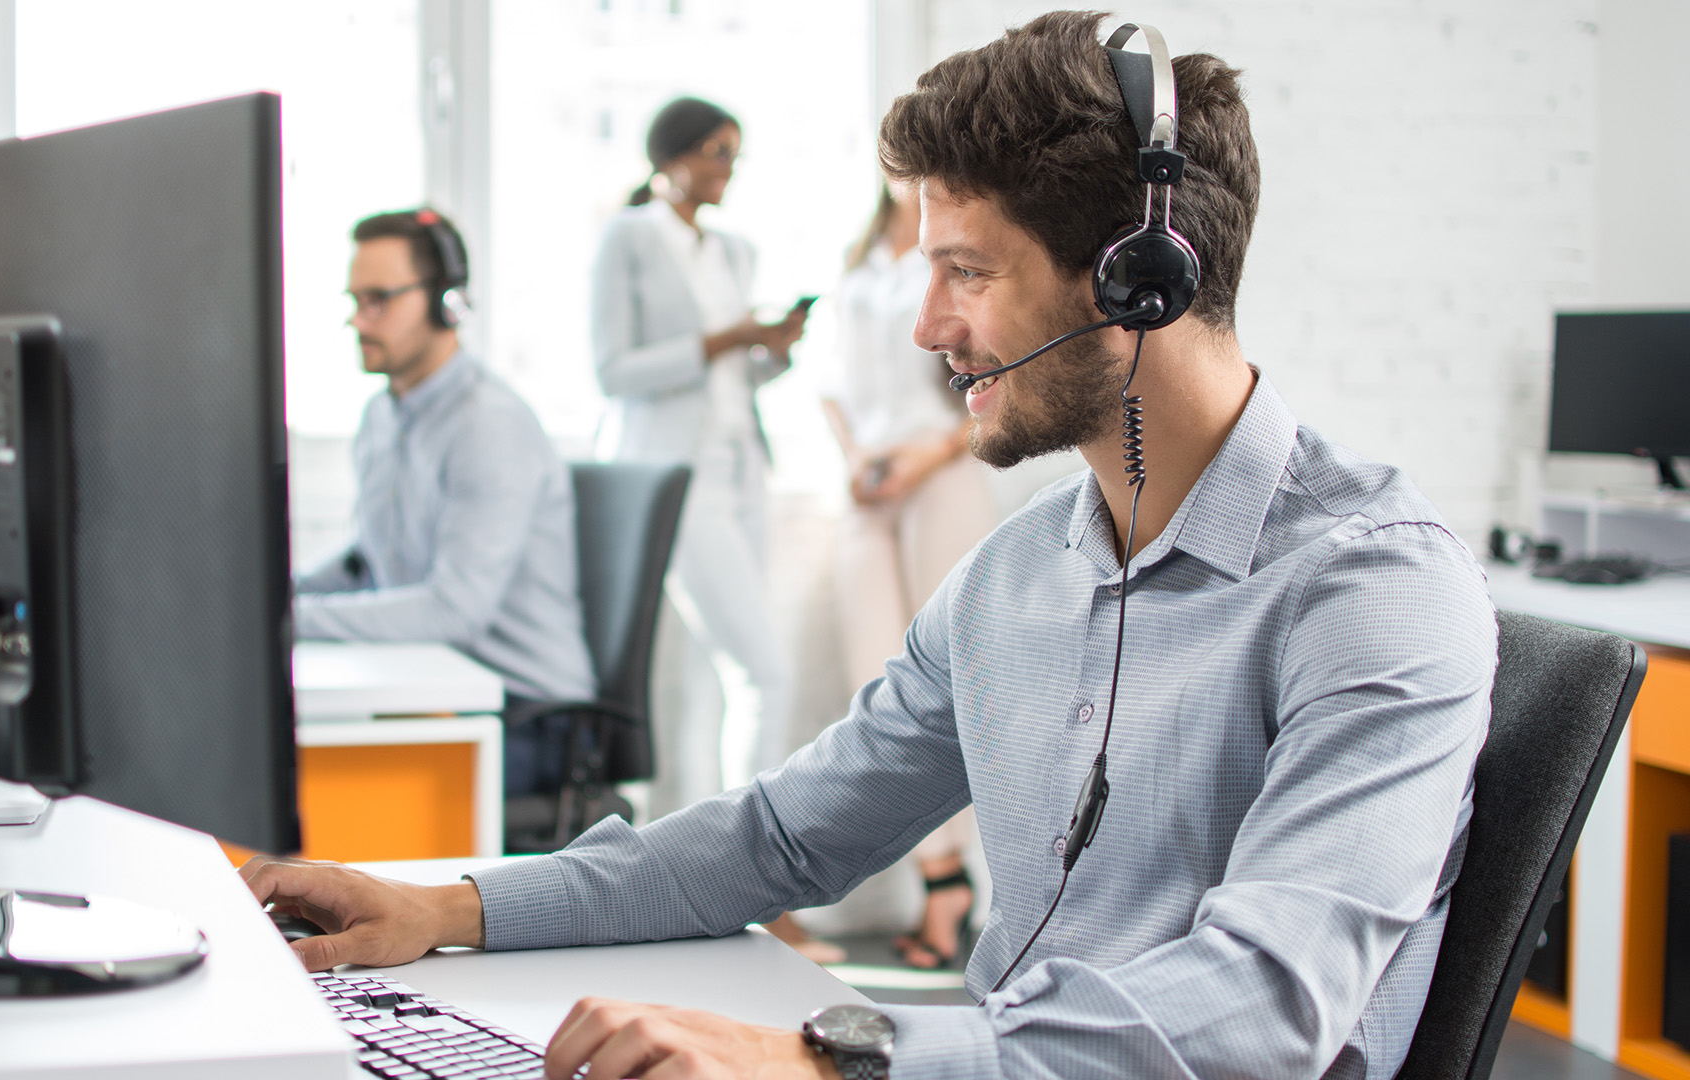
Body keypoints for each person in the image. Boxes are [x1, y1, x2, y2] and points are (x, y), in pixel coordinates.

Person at [245, 16, 1495, 1079]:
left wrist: (822, 1054)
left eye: (967, 271)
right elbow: (778, 841)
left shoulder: (1373, 588)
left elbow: (1266, 1013)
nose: (930, 326)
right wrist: (447, 909)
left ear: (1134, 283)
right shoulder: (1017, 579)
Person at [587, 95, 835, 961]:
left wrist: (773, 350)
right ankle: (757, 885)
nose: (728, 169)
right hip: (674, 478)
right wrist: (733, 336)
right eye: (716, 153)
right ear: (674, 157)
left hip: (741, 470)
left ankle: (689, 884)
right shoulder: (629, 237)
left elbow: (740, 379)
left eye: (736, 154)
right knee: (762, 670)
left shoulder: (733, 247)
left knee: (709, 687)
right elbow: (614, 370)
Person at [293, 209, 597, 795]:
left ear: (447, 303)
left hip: (526, 717)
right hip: (438, 691)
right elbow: (371, 559)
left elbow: (455, 609)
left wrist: (290, 624)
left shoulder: (488, 426)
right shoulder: (383, 414)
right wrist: (280, 594)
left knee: (323, 793)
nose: (360, 319)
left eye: (379, 298)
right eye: (354, 299)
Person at [821, 180, 996, 970]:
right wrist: (858, 459)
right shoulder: (859, 256)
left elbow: (997, 369)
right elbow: (831, 383)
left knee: (950, 674)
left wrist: (927, 454)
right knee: (878, 681)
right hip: (872, 478)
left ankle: (950, 884)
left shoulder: (957, 255)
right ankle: (941, 873)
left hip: (941, 468)